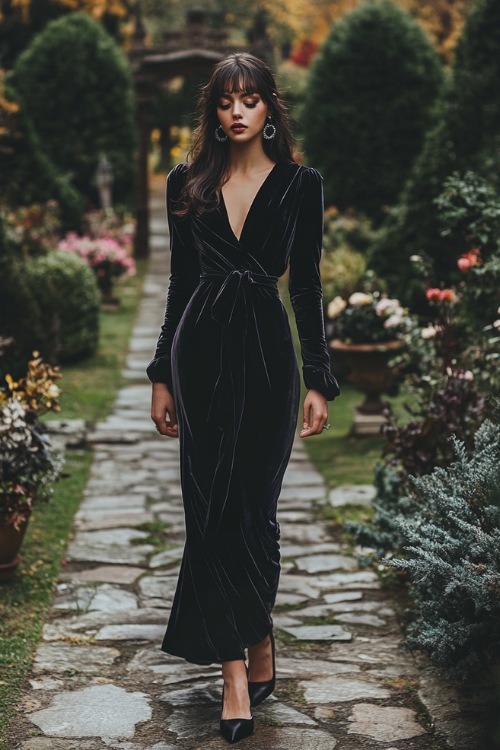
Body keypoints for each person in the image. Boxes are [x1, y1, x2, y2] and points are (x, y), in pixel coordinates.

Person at [147, 52, 340, 744]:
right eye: (226, 101)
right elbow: (178, 285)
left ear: (268, 109)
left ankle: (258, 634)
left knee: (255, 512)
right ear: (214, 110)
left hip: (267, 362)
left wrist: (319, 377)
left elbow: (309, 287)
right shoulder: (186, 182)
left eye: (249, 99)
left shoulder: (299, 185)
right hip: (198, 360)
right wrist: (159, 374)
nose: (236, 112)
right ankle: (235, 673)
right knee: (211, 511)